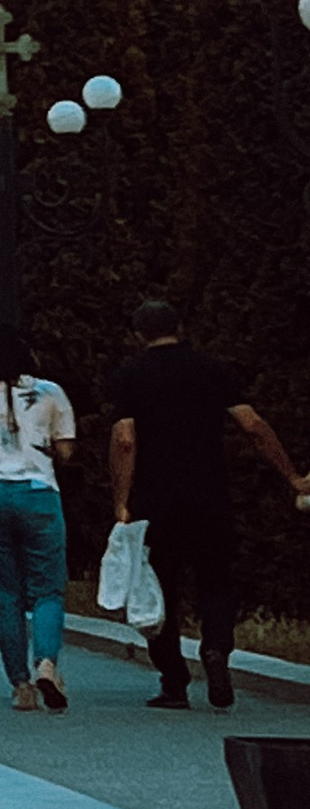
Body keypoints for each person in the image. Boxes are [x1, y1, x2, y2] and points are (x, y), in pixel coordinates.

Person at [107, 297, 310, 709]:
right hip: (210, 494)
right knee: (216, 581)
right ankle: (216, 648)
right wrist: (292, 476)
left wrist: (122, 500)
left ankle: (174, 682)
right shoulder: (212, 370)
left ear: (138, 334)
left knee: (159, 588)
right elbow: (252, 426)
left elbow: (125, 440)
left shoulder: (131, 375)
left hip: (156, 499)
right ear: (180, 326)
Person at [0, 333, 76, 712]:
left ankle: (20, 686)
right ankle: (47, 664)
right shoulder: (51, 392)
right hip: (38, 493)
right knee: (48, 590)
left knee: (7, 597)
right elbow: (67, 449)